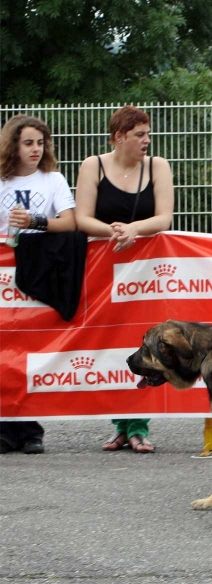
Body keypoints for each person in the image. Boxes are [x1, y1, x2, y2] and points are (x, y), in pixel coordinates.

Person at [75, 105, 174, 453]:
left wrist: (134, 228)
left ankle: (138, 426)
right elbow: (82, 218)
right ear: (119, 137)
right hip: (104, 272)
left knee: (146, 345)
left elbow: (164, 217)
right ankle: (120, 423)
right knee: (108, 343)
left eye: (147, 134)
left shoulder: (158, 166)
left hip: (147, 275)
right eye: (139, 135)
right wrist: (114, 232)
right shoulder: (93, 165)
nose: (147, 140)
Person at [0, 114, 77, 454]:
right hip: (4, 277)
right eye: (28, 142)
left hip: (39, 274)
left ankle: (31, 429)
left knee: (32, 351)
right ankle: (4, 426)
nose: (35, 149)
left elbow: (70, 222)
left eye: (40, 143)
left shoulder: (53, 179)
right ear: (13, 145)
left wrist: (34, 221)